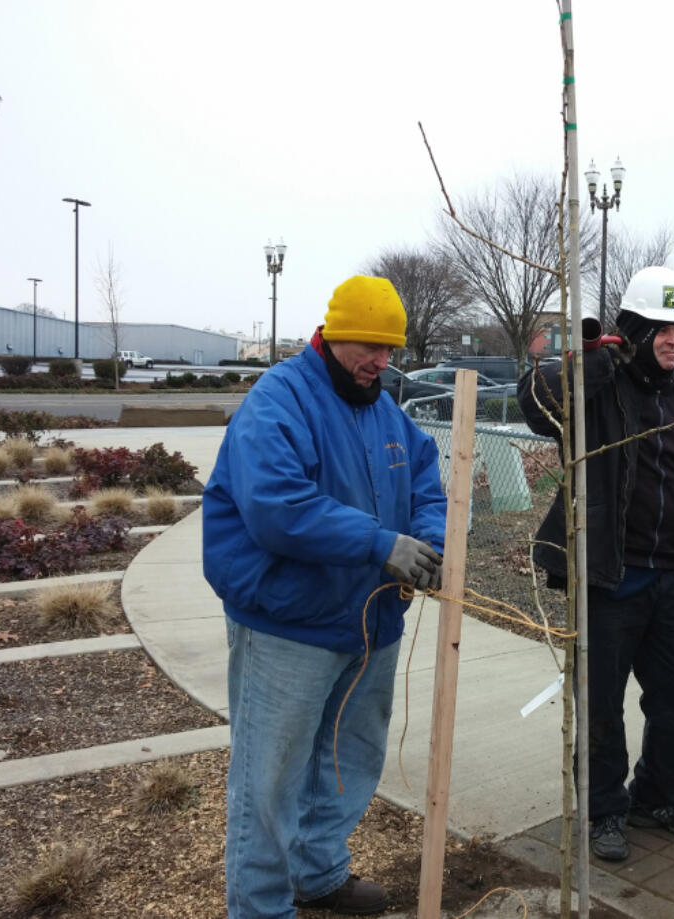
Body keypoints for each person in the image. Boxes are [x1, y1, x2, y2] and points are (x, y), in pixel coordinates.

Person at [203, 275, 447, 918]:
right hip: (289, 623)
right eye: (370, 346)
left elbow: (427, 481)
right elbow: (276, 509)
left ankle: (317, 871)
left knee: (349, 757)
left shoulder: (384, 408)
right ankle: (260, 907)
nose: (381, 362)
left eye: (390, 350)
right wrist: (378, 543)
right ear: (333, 334)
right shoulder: (280, 400)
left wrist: (428, 539)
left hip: (370, 621)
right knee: (271, 775)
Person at [517, 265, 674, 862]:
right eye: (661, 329)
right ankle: (604, 812)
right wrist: (590, 360)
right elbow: (535, 403)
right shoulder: (600, 391)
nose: (673, 340)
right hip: (609, 578)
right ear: (634, 330)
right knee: (600, 707)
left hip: (672, 582)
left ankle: (655, 797)